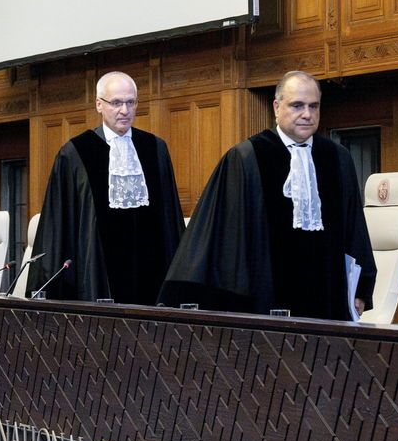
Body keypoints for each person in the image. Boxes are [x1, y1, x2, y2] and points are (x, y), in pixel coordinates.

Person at [159, 71, 376, 320]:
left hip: (328, 299)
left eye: (313, 106)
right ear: (276, 106)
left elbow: (355, 227)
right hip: (266, 301)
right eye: (297, 105)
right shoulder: (247, 157)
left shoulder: (338, 158)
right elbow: (226, 240)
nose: (307, 114)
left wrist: (361, 289)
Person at [28, 71, 185, 303]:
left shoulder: (155, 148)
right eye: (116, 103)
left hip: (151, 272)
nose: (125, 110)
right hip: (97, 277)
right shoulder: (75, 153)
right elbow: (60, 223)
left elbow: (170, 220)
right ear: (99, 105)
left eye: (131, 102)